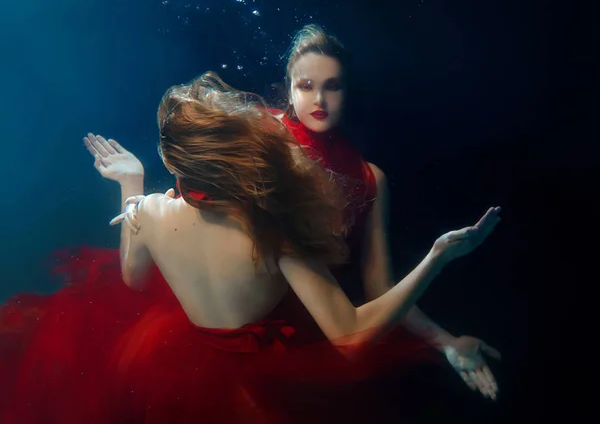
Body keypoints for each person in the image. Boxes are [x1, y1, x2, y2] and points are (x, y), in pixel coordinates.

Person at [0, 73, 501, 424]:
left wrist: (131, 186)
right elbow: (350, 337)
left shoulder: (147, 212)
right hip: (278, 382)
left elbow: (133, 280)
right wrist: (437, 257)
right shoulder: (271, 234)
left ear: (179, 164)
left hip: (187, 365)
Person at [111, 24, 502, 399]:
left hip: (304, 331)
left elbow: (377, 287)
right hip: (276, 331)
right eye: (306, 85)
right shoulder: (257, 138)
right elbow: (210, 181)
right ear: (289, 89)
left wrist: (444, 340)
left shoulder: (368, 179)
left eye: (332, 86)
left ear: (349, 90)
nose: (319, 100)